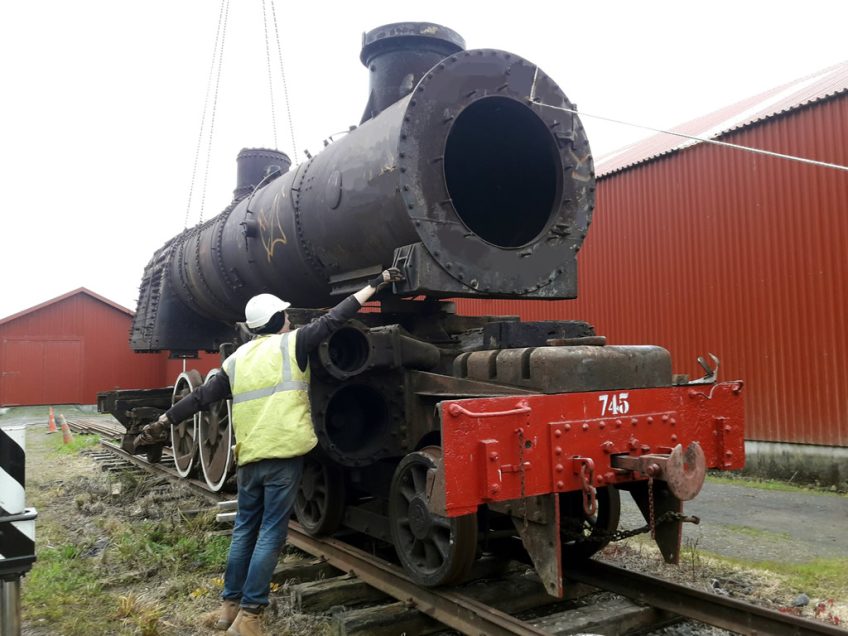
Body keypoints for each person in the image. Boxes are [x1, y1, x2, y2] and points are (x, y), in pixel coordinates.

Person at [136, 267, 403, 636]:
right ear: (279, 319)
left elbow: (199, 398)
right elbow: (337, 317)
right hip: (283, 458)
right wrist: (376, 283)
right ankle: (251, 616)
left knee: (245, 530)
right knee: (270, 535)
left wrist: (163, 421)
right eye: (287, 315)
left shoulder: (236, 361)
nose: (290, 319)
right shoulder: (291, 344)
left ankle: (228, 608)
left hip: (250, 459)